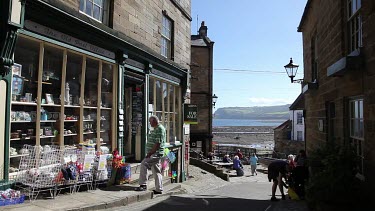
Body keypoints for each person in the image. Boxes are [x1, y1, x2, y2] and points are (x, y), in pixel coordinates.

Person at [135, 115, 166, 194]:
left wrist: (150, 153)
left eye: (150, 122)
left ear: (154, 121)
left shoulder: (159, 129)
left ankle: (143, 185)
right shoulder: (156, 128)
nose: (149, 123)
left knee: (144, 164)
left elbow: (157, 143)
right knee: (156, 171)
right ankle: (159, 189)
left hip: (155, 153)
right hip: (155, 153)